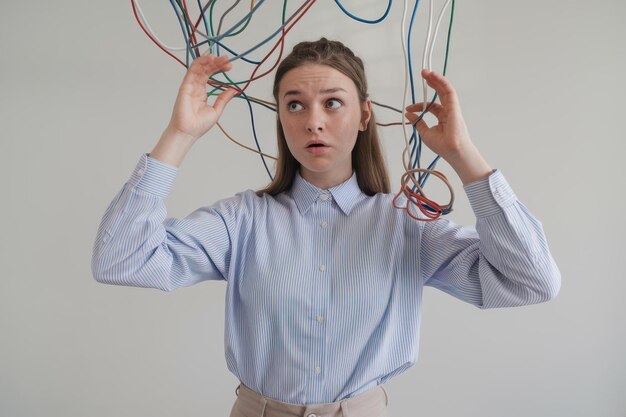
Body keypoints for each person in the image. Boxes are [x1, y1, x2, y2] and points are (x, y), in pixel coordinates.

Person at [92, 38, 561, 417]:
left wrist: (462, 155)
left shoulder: (406, 225)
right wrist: (179, 135)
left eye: (332, 103)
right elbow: (122, 260)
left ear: (364, 114)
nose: (313, 122)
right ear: (280, 118)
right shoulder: (241, 221)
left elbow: (530, 281)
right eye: (294, 106)